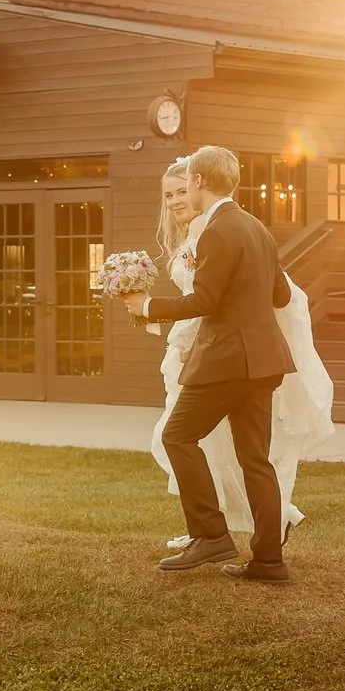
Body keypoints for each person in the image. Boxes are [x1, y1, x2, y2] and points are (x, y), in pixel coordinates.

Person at [124, 145, 318, 582]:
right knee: (256, 460)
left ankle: (210, 536)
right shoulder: (256, 228)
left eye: (186, 182)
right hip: (265, 361)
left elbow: (206, 300)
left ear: (198, 182)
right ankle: (269, 561)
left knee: (177, 436)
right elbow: (281, 297)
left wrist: (147, 306)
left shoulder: (216, 231)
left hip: (228, 360)